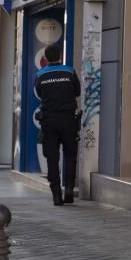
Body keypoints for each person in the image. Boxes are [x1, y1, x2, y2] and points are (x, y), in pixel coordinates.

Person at [34, 45, 81, 206]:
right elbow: (77, 92)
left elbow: (39, 93)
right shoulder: (69, 71)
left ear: (45, 58)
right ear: (60, 55)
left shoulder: (40, 75)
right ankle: (69, 189)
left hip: (50, 120)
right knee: (70, 154)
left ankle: (56, 194)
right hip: (68, 119)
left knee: (52, 157)